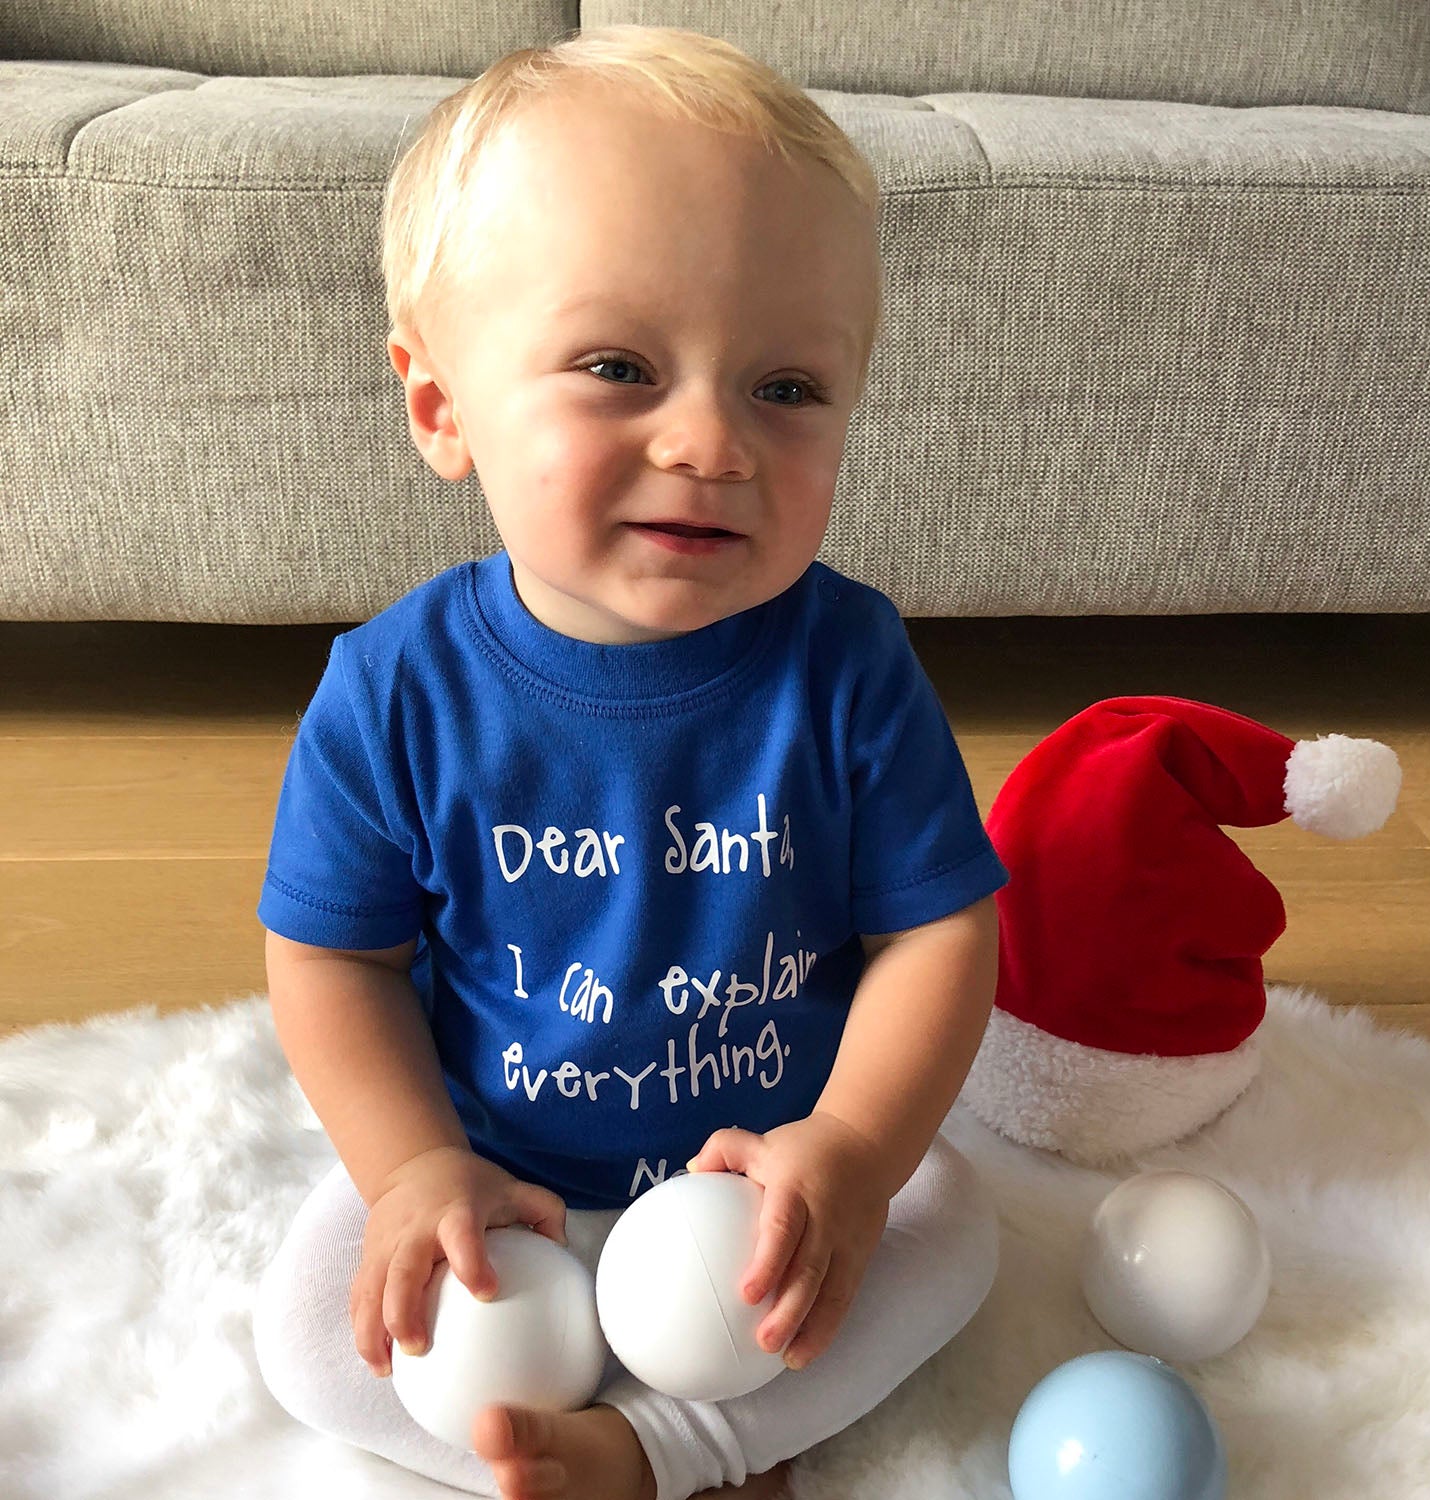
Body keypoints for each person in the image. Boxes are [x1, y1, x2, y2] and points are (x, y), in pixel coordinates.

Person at [252, 23, 1008, 1500]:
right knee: (307, 1315)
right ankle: (577, 1444)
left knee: (959, 1230)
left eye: (787, 388)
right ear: (441, 408)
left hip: (758, 1187)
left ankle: (667, 1449)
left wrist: (849, 1156)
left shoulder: (846, 667)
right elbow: (330, 962)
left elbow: (939, 928)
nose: (712, 442)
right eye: (618, 368)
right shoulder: (393, 690)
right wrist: (415, 1174)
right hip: (505, 1185)